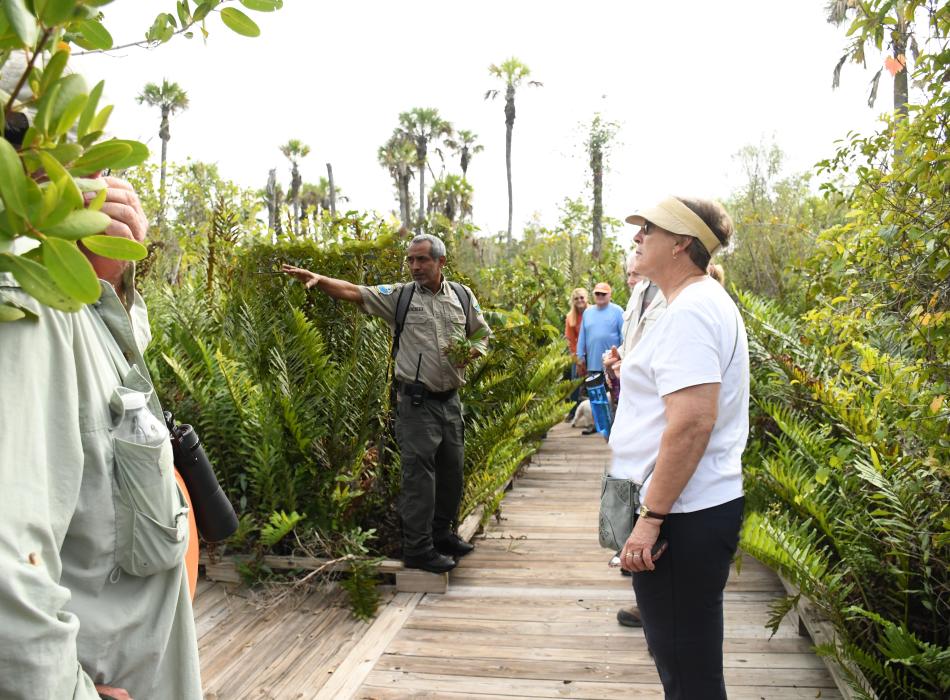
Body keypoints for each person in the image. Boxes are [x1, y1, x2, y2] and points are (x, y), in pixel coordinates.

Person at [0, 178, 202, 699]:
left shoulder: (66, 297)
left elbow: (125, 346)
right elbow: (8, 572)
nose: (104, 182)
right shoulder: (27, 303)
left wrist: (108, 267)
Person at [282, 234, 490, 574]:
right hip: (417, 405)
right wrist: (319, 282)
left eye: (422, 259)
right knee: (419, 480)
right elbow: (356, 291)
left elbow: (481, 334)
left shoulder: (463, 297)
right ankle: (418, 550)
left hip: (451, 402)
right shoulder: (401, 297)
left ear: (441, 262)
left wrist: (473, 351)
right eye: (410, 260)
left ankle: (442, 536)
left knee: (452, 473)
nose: (414, 266)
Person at [610, 196, 748, 699]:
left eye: (649, 228)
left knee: (687, 670)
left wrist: (651, 518)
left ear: (682, 244)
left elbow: (692, 423)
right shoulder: (696, 302)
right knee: (686, 662)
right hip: (693, 506)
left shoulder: (691, 310)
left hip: (681, 516)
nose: (637, 237)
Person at [563, 287, 589, 420]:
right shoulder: (570, 317)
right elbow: (570, 339)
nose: (579, 301)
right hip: (578, 353)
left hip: (592, 351)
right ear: (573, 301)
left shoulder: (593, 312)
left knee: (594, 380)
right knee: (575, 382)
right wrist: (577, 358)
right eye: (576, 298)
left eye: (582, 298)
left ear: (586, 299)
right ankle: (572, 411)